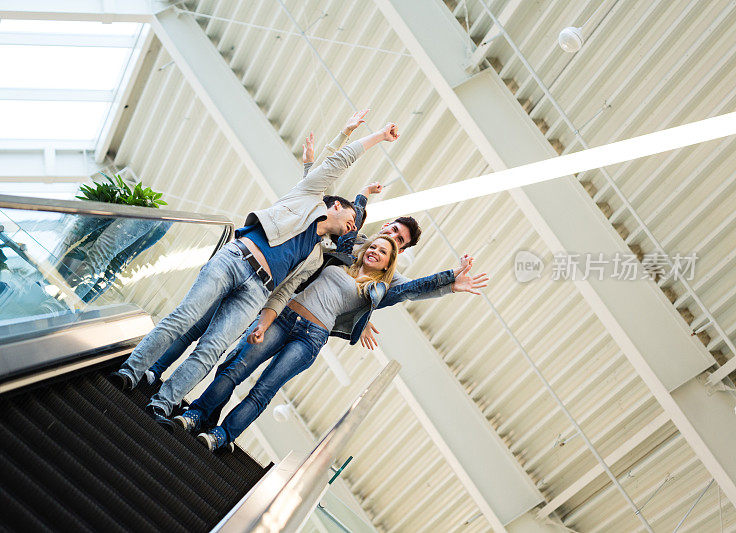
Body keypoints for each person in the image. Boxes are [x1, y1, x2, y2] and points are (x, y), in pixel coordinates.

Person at [110, 122, 400, 420]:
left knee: (213, 348)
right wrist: (377, 136)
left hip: (257, 292)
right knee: (183, 318)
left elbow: (285, 291)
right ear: (336, 206)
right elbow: (337, 162)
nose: (354, 226)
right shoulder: (306, 197)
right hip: (235, 259)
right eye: (353, 218)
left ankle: (164, 401)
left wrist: (264, 322)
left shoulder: (316, 255)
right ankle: (132, 370)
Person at [176, 235, 487, 451]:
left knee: (263, 390)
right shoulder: (339, 261)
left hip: (310, 338)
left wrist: (451, 280)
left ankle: (222, 435)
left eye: (383, 253)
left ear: (387, 265)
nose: (375, 252)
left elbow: (413, 288)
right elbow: (344, 223)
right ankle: (196, 414)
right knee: (234, 368)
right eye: (374, 246)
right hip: (283, 318)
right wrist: (364, 195)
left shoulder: (378, 290)